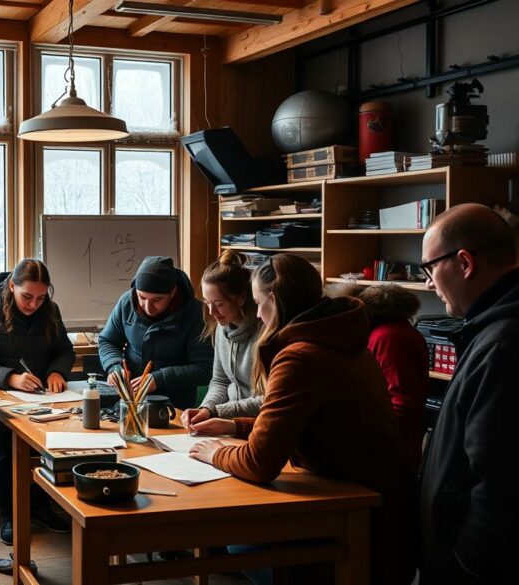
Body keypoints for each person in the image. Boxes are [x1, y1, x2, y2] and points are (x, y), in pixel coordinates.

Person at [188, 254, 416, 585]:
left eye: (259, 305)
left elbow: (258, 462)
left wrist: (214, 452)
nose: (261, 318)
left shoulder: (300, 355)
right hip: (382, 500)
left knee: (241, 543)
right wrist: (235, 426)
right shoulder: (337, 337)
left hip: (355, 510)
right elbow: (306, 419)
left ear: (276, 302)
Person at [418, 203, 519, 584]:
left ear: (464, 263)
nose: (428, 283)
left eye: (430, 268)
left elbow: (500, 480)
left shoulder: (503, 344)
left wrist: (465, 564)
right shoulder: (488, 332)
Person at [0, 258, 73, 547]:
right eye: (27, 296)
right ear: (11, 286)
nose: (33, 304)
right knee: (5, 455)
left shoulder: (51, 311)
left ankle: (41, 509)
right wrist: (10, 377)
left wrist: (57, 371)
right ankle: (10, 515)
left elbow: (63, 349)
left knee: (46, 455)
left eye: (40, 297)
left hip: (42, 403)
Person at [328, 283, 429, 469]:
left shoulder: (388, 337)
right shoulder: (389, 332)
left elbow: (401, 407)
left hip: (387, 457)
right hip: (383, 451)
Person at [98, 256, 213, 409]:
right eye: (142, 297)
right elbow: (107, 341)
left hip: (174, 405)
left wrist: (160, 378)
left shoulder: (195, 314)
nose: (148, 307)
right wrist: (114, 366)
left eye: (157, 300)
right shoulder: (126, 302)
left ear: (173, 292)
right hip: (129, 399)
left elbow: (205, 368)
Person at [181, 250, 262, 429]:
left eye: (218, 304)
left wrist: (217, 411)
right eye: (206, 303)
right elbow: (220, 381)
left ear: (240, 298)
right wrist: (206, 408)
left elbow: (267, 399)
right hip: (228, 423)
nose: (211, 312)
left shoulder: (264, 334)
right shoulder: (221, 328)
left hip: (255, 426)